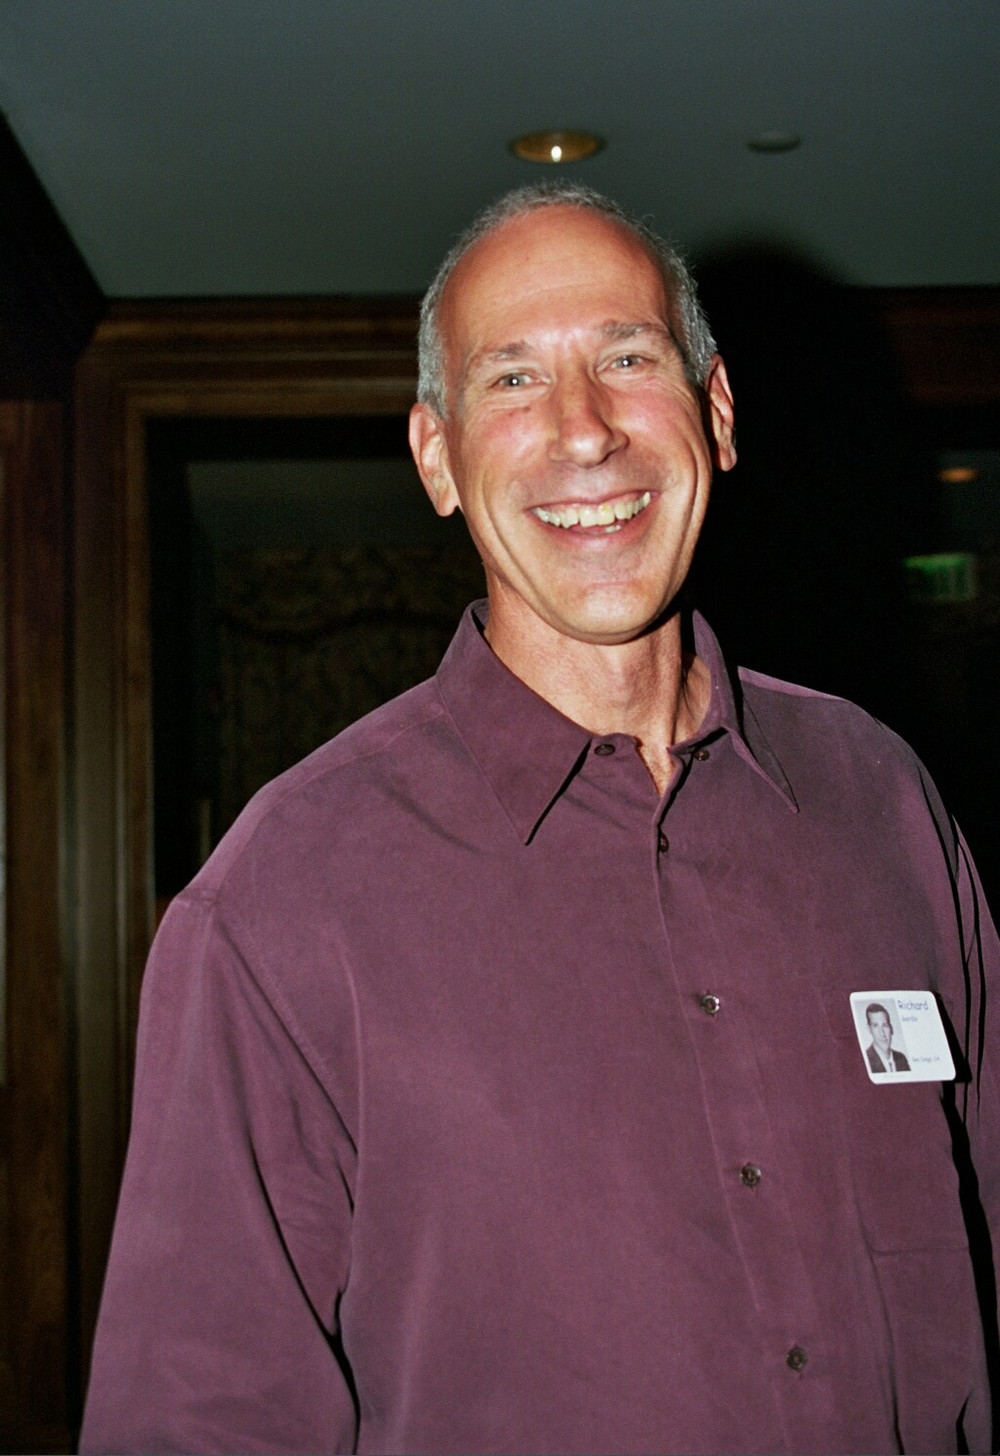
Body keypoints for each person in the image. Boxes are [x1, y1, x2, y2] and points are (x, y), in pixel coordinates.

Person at [80, 182, 1000, 1455]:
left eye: (627, 359)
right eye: (512, 379)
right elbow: (196, 1420)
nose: (584, 430)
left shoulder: (879, 794)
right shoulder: (279, 900)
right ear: (436, 458)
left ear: (717, 410)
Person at [865, 1001, 912, 1074]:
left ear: (891, 1028)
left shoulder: (901, 1059)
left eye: (885, 1025)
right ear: (869, 1029)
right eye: (875, 1026)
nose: (882, 1033)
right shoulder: (865, 1059)